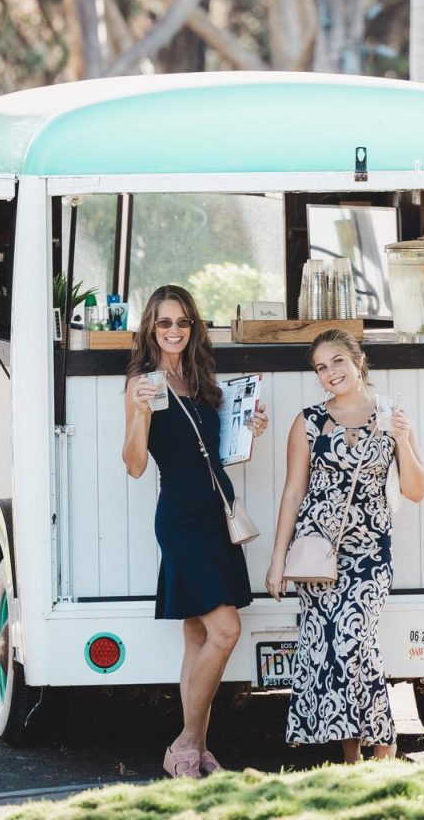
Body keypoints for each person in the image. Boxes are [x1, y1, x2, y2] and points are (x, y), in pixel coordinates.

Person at [123, 284, 268, 779]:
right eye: (164, 323)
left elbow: (218, 449)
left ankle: (198, 753)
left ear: (193, 326)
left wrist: (250, 426)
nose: (173, 331)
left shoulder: (205, 379)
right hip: (181, 518)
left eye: (182, 322)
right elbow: (135, 465)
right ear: (150, 328)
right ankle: (183, 742)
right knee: (226, 629)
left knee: (198, 634)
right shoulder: (142, 383)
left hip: (217, 512)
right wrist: (140, 414)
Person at [265, 328, 424, 763]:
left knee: (356, 641)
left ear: (358, 361)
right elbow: (292, 493)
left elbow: (416, 490)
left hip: (370, 553)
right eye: (321, 367)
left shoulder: (392, 413)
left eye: (337, 361)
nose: (330, 372)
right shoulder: (308, 421)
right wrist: (277, 561)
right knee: (327, 645)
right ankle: (353, 757)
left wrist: (403, 440)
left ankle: (385, 744)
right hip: (316, 553)